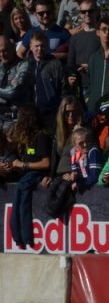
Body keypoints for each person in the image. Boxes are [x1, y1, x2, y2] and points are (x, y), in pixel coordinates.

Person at [6, 104, 53, 249]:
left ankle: (26, 239)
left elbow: (46, 163)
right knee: (17, 203)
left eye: (21, 119)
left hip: (35, 174)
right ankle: (19, 238)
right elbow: (12, 153)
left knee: (23, 200)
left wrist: (23, 165)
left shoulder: (42, 136)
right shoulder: (22, 137)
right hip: (24, 175)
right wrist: (12, 162)